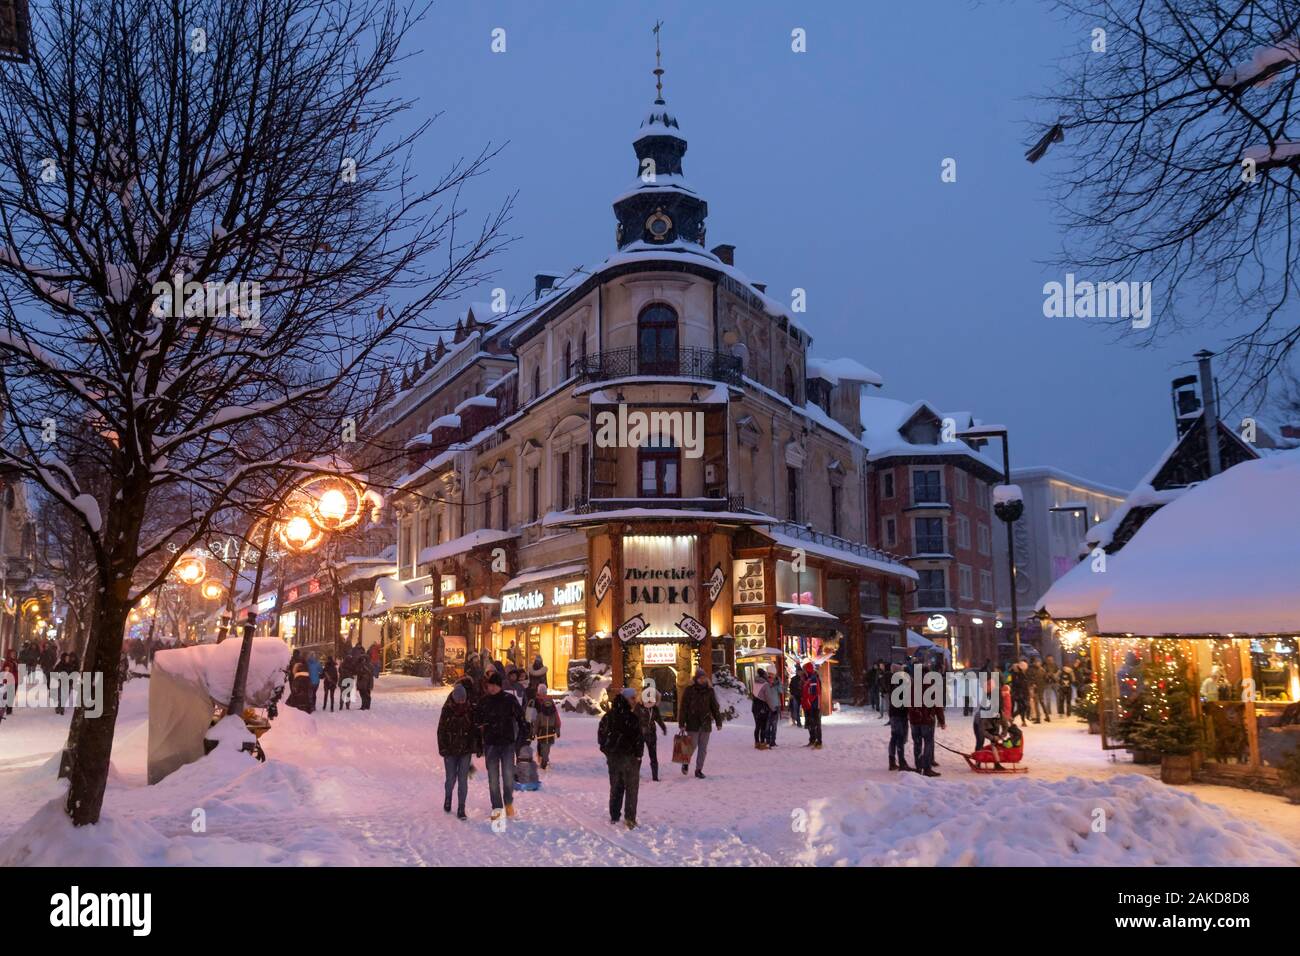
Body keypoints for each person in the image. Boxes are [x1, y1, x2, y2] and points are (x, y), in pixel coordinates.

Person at [472, 671, 527, 822]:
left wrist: (524, 735)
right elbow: (476, 722)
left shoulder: (509, 700)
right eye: (490, 685)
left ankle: (508, 802)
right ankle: (497, 807)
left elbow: (520, 717)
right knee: (493, 779)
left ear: (500, 686)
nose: (492, 688)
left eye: (494, 686)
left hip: (507, 743)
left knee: (508, 777)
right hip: (490, 744)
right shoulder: (484, 702)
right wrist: (479, 736)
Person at [599, 687, 645, 829]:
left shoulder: (608, 716)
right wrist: (638, 755)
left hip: (614, 757)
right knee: (631, 788)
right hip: (628, 757)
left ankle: (614, 815)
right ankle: (629, 818)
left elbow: (601, 736)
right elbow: (638, 739)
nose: (635, 701)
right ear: (626, 699)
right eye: (632, 698)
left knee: (616, 786)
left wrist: (607, 750)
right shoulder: (631, 718)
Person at [438, 683, 479, 818]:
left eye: (463, 699)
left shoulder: (470, 710)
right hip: (450, 750)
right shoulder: (447, 710)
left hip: (465, 750)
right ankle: (448, 797)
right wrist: (443, 748)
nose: (462, 701)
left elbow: (474, 730)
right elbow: (441, 730)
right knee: (450, 778)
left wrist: (475, 746)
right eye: (459, 699)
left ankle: (462, 807)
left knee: (463, 779)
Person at [678, 668, 722, 778]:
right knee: (692, 746)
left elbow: (714, 707)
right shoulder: (689, 690)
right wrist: (682, 723)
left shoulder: (709, 690)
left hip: (706, 723)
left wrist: (718, 721)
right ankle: (685, 762)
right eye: (701, 678)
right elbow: (683, 708)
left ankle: (698, 770)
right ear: (696, 678)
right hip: (693, 722)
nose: (703, 679)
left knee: (703, 748)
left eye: (704, 677)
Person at [908, 670, 946, 777]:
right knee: (928, 743)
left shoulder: (912, 686)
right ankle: (927, 768)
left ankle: (919, 766)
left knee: (917, 743)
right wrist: (942, 721)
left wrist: (911, 714)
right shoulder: (932, 687)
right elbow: (938, 705)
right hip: (927, 720)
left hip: (915, 720)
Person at [636, 680, 668, 780]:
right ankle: (635, 774)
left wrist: (663, 727)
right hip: (639, 734)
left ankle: (655, 776)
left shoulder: (654, 709)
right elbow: (633, 720)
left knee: (653, 755)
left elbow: (658, 719)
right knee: (638, 755)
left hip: (651, 733)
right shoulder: (638, 707)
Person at [887, 663, 911, 770]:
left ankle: (892, 761)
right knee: (900, 738)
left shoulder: (891, 682)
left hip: (894, 713)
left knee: (894, 737)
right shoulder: (898, 683)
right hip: (899, 713)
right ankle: (901, 762)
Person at [531, 683, 561, 769]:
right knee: (541, 744)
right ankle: (542, 756)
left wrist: (557, 728)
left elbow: (556, 716)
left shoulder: (549, 701)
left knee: (546, 746)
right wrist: (532, 730)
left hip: (550, 729)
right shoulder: (535, 701)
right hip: (541, 728)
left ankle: (545, 759)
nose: (543, 693)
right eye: (541, 691)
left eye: (544, 691)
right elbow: (532, 716)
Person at [801, 662, 823, 749]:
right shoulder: (809, 679)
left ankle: (818, 741)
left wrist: (808, 702)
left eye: (805, 670)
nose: (804, 672)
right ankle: (813, 740)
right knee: (811, 723)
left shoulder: (813, 679)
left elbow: (814, 693)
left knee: (816, 723)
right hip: (809, 705)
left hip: (813, 706)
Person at [750, 670, 772, 750]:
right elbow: (768, 698)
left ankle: (757, 742)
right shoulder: (765, 684)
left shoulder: (755, 683)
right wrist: (772, 707)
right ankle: (762, 743)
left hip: (755, 706)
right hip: (763, 706)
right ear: (763, 675)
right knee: (763, 726)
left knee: (757, 726)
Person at [763, 667, 782, 747]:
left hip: (776, 705)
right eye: (770, 674)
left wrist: (779, 684)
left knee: (774, 725)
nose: (771, 677)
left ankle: (773, 741)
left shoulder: (777, 683)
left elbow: (781, 691)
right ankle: (767, 740)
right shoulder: (765, 683)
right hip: (767, 706)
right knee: (767, 725)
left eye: (773, 675)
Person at [1027, 658, 1049, 723]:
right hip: (1037, 688)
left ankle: (1039, 718)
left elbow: (1045, 678)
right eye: (1037, 662)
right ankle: (1045, 716)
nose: (1038, 663)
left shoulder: (1040, 670)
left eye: (1039, 662)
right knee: (1040, 702)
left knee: (1038, 702)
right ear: (1034, 663)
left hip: (1039, 688)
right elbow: (1030, 678)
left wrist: (1033, 684)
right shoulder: (1037, 669)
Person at [1, 647, 18, 716]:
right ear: (9, 654)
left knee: (12, 695)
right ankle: (7, 709)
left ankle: (9, 709)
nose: (13, 655)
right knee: (8, 695)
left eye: (14, 654)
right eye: (12, 654)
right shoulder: (7, 662)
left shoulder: (16, 661)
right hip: (10, 680)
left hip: (15, 680)